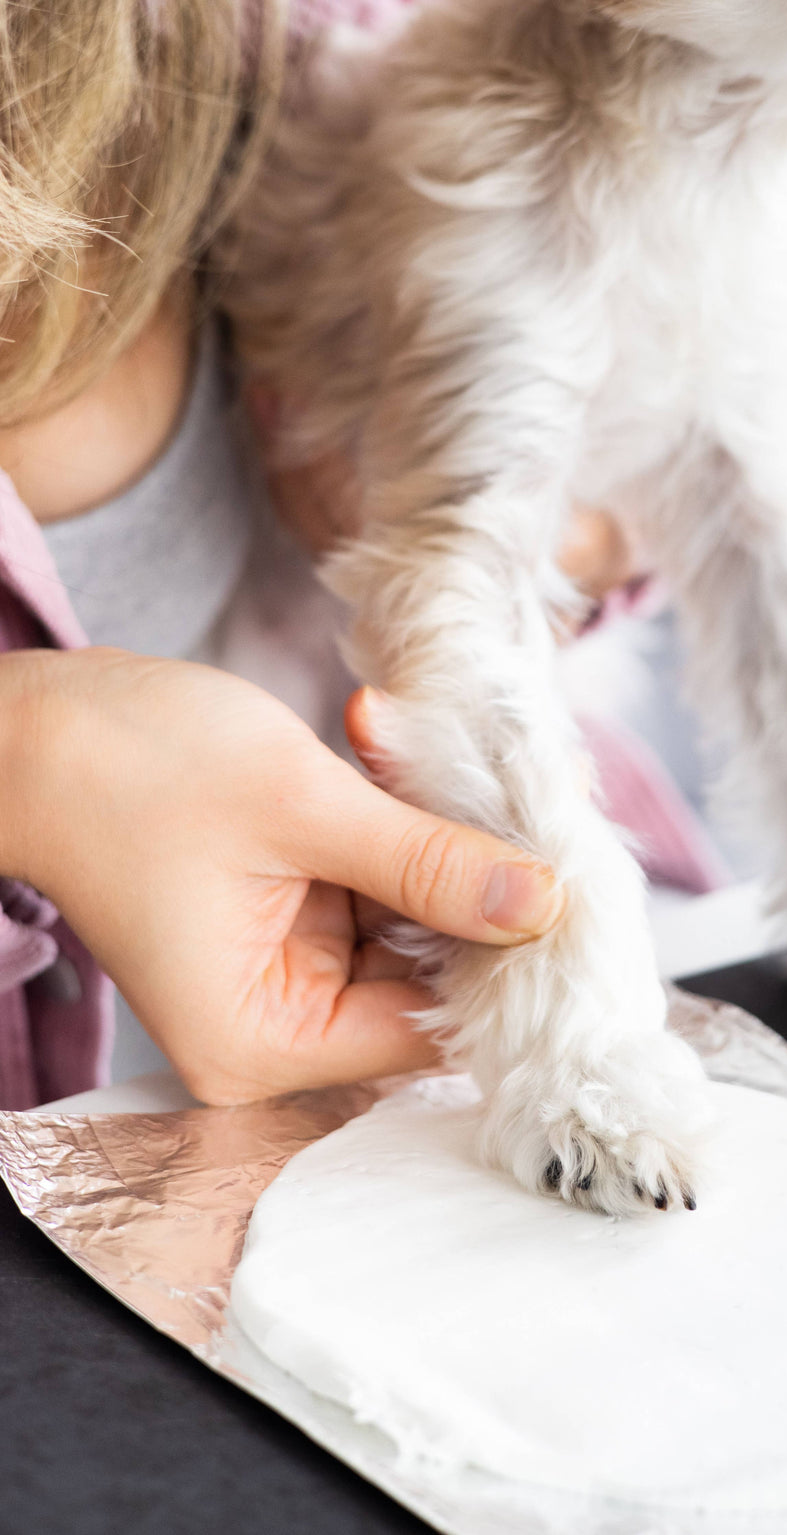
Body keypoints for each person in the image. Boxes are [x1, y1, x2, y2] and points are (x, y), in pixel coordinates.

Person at [0, 0, 571, 1111]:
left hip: (436, 1079)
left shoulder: (305, 35)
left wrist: (530, 515)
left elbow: (640, 457)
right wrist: (33, 758)